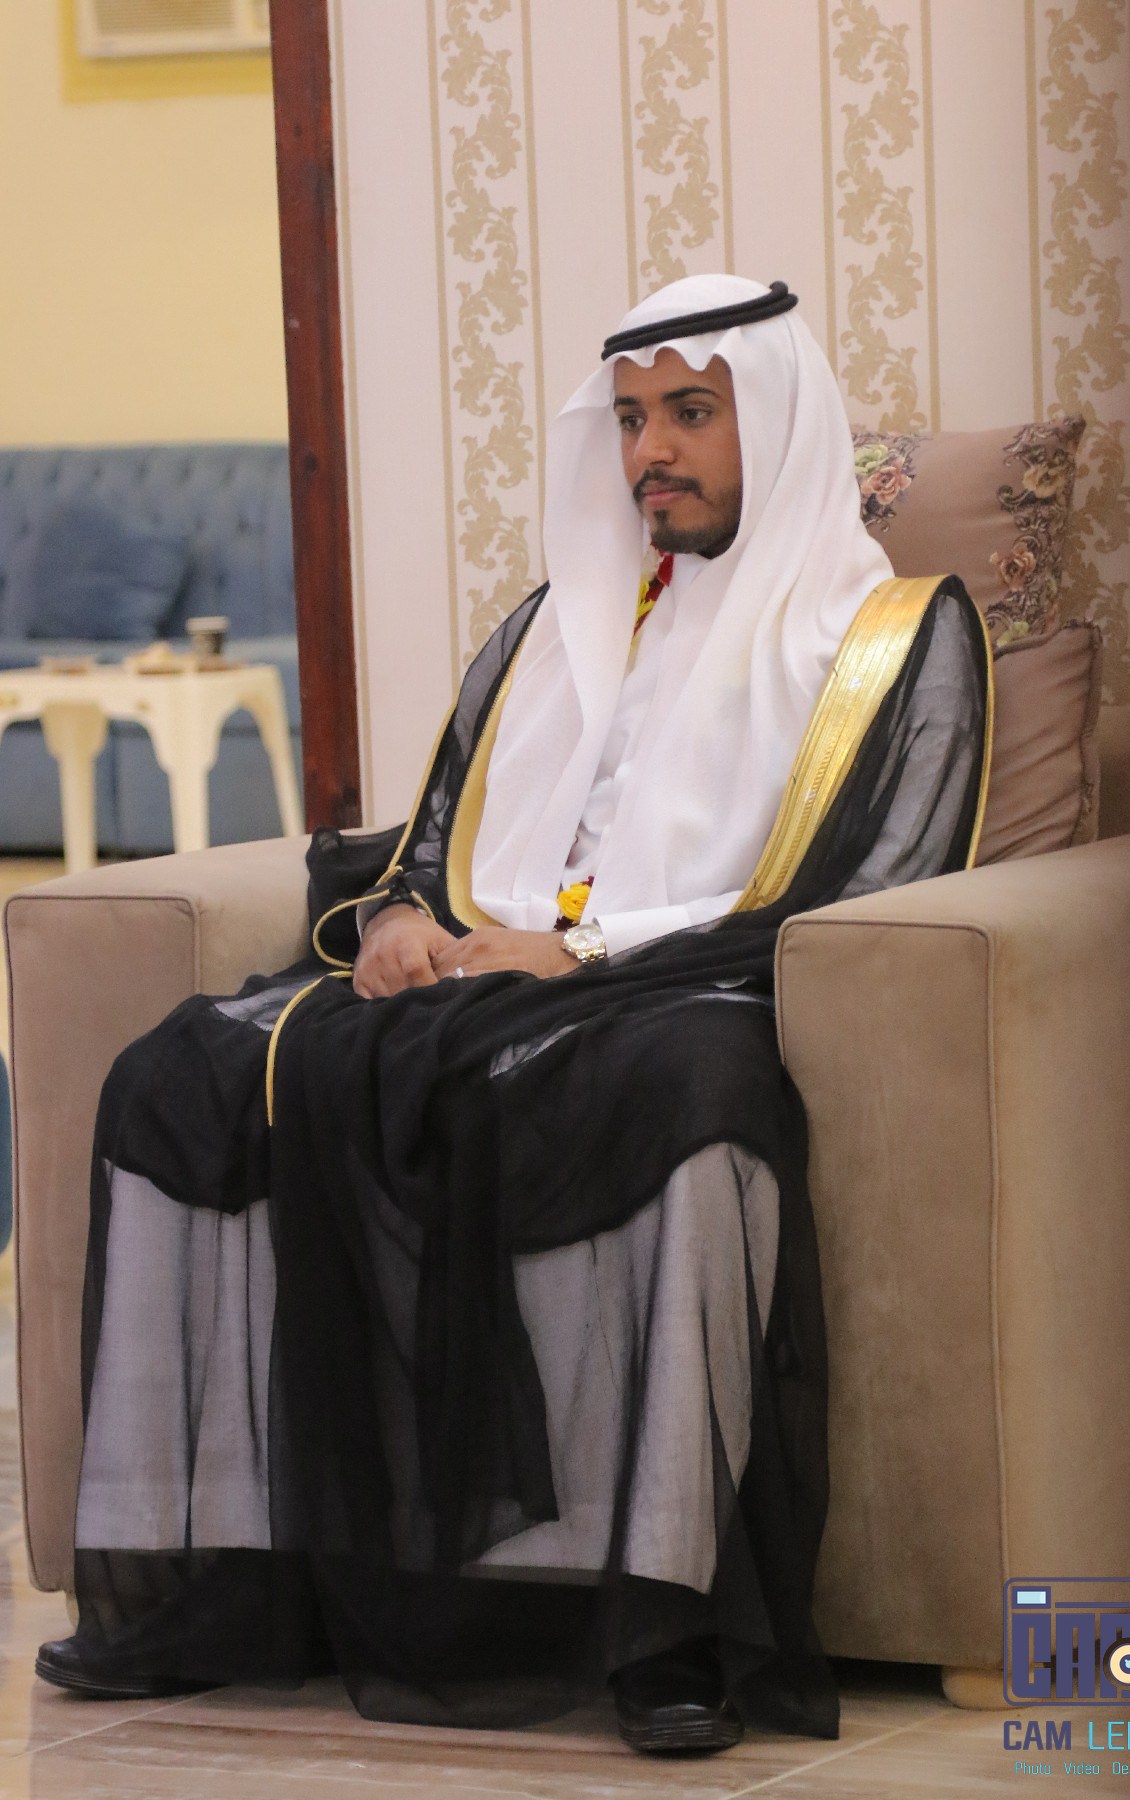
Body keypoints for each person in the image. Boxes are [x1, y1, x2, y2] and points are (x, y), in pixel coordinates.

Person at [36, 275, 990, 1757]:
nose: (650, 453)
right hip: (495, 980)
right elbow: (438, 839)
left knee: (688, 1094)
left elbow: (880, 874)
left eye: (690, 413)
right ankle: (232, 1582)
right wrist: (403, 924)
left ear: (777, 419)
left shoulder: (890, 636)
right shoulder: (557, 622)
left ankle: (665, 1624)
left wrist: (585, 953)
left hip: (695, 986)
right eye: (630, 420)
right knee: (182, 1072)